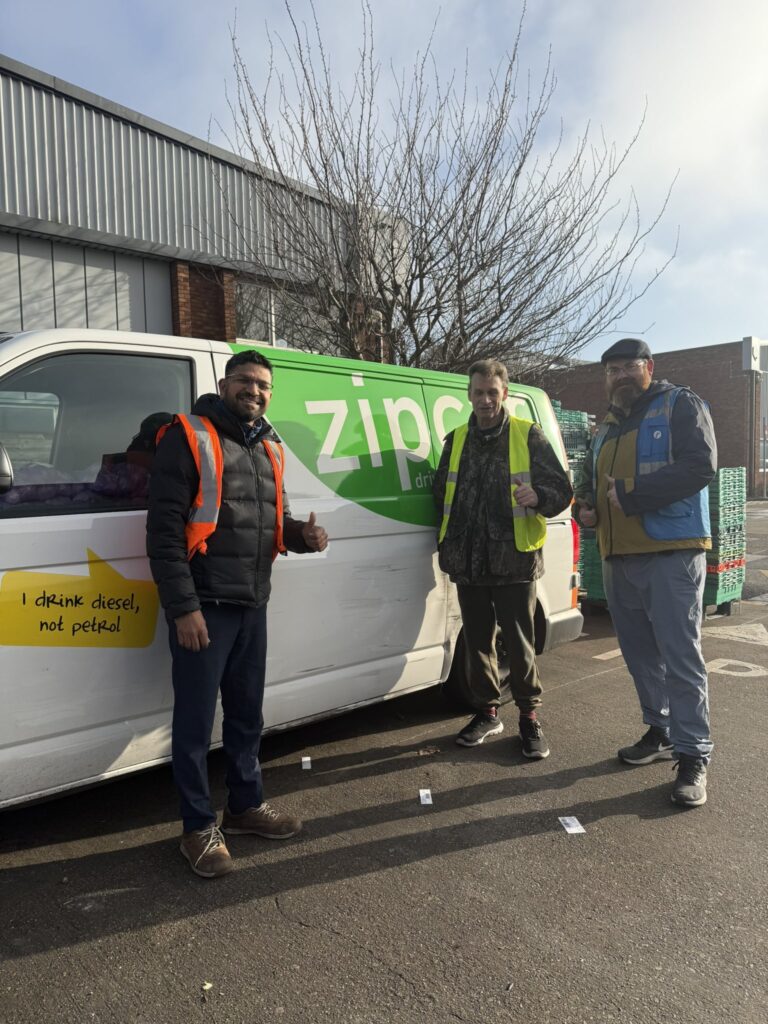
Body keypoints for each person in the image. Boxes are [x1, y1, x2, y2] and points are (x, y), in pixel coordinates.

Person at [147, 350, 328, 878]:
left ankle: (245, 807)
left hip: (253, 603)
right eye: (246, 381)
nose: (255, 390)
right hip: (204, 606)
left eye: (264, 384)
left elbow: (271, 519)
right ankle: (198, 827)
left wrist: (304, 537)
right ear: (225, 385)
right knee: (196, 722)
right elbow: (162, 534)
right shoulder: (190, 435)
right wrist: (183, 608)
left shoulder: (268, 443)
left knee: (247, 716)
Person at [574, 338, 716, 807]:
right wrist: (586, 507)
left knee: (680, 657)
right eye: (611, 370)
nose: (619, 376)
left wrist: (632, 494)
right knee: (640, 656)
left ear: (649, 367)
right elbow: (589, 485)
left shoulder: (680, 404)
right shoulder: (606, 429)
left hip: (670, 552)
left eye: (628, 367)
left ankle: (693, 753)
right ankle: (658, 731)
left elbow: (701, 466)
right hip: (619, 557)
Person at [433, 359, 573, 757]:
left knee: (519, 643)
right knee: (477, 643)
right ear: (469, 394)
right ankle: (488, 712)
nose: (485, 400)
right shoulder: (456, 439)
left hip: (514, 562)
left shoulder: (528, 436)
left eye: (492, 392)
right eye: (478, 392)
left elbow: (562, 489)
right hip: (468, 562)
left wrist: (539, 497)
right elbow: (441, 494)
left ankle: (529, 718)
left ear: (504, 394)